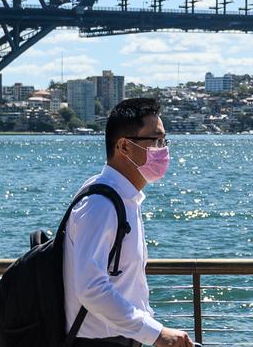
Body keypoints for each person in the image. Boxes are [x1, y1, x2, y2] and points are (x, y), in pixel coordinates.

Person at [63, 97, 193, 347]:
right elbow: (90, 287)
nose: (163, 149)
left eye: (164, 140)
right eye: (155, 140)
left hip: (120, 338)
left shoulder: (123, 197)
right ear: (123, 147)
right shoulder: (100, 205)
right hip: (99, 342)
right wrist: (155, 333)